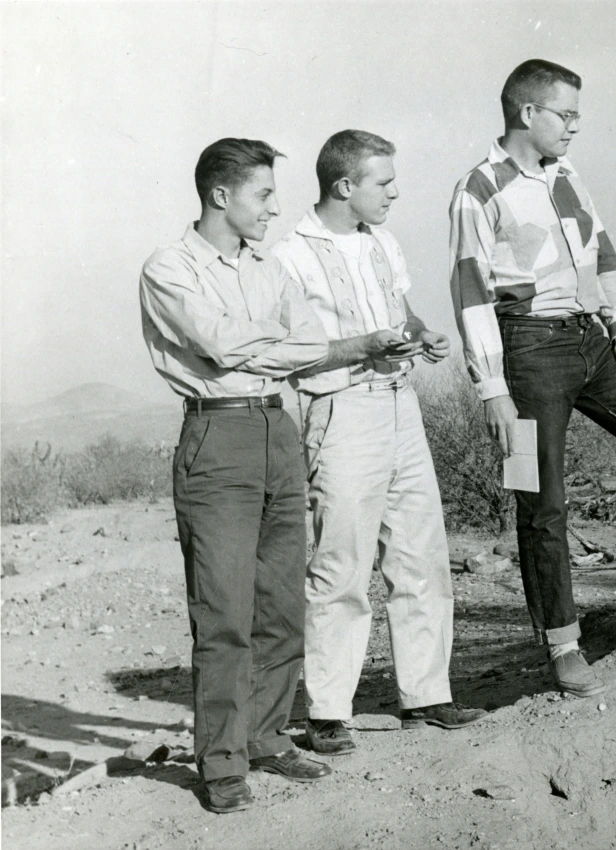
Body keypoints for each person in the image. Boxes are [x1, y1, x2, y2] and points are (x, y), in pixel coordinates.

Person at [139, 138, 382, 813]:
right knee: (223, 613)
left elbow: (303, 347)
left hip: (280, 429)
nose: (276, 208)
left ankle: (267, 736)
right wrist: (275, 343)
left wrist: (272, 345)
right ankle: (221, 763)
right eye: (265, 194)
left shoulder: (270, 268)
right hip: (217, 435)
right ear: (221, 195)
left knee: (280, 604)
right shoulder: (168, 268)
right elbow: (218, 344)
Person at [448, 60, 616, 699]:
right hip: (526, 351)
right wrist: (492, 389)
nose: (575, 127)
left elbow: (603, 249)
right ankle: (561, 643)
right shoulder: (478, 190)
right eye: (566, 115)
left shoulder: (567, 177)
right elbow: (470, 292)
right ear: (527, 112)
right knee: (541, 501)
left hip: (589, 340)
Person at [273, 130, 486, 757]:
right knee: (341, 561)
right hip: (338, 413)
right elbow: (292, 352)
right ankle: (328, 710)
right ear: (345, 187)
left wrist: (422, 333)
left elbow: (402, 309)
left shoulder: (383, 243)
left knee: (421, 553)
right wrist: (363, 347)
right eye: (382, 182)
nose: (394, 192)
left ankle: (427, 694)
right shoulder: (290, 256)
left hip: (401, 406)